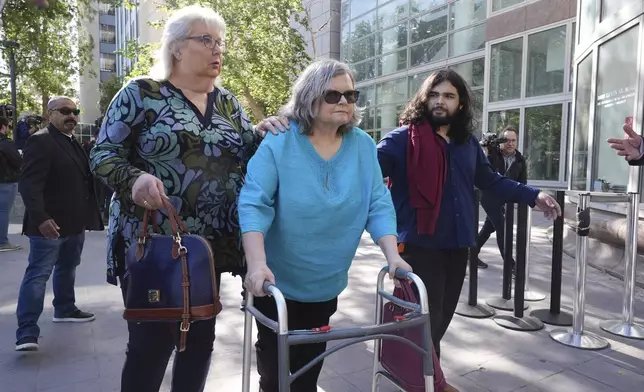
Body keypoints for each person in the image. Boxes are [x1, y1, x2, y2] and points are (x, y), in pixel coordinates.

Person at [90, 5, 269, 392]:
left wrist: (265, 132)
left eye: (220, 42)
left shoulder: (227, 103)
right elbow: (103, 155)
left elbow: (249, 155)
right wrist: (134, 179)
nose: (216, 49)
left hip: (209, 248)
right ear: (175, 48)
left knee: (200, 342)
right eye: (205, 40)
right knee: (151, 345)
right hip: (154, 244)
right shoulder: (141, 93)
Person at [239, 59, 412, 392]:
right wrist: (257, 264)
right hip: (276, 282)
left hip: (325, 282)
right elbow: (253, 203)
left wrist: (394, 256)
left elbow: (377, 202)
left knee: (307, 370)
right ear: (309, 97)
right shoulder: (280, 140)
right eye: (333, 95)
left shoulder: (362, 145)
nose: (344, 101)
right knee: (276, 375)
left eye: (351, 94)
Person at [376, 69, 561, 359]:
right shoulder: (402, 140)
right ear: (423, 100)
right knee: (425, 323)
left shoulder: (467, 144)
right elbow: (362, 168)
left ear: (460, 103)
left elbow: (490, 180)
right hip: (418, 247)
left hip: (459, 246)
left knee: (439, 323)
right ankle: (428, 382)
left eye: (448, 96)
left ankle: (428, 379)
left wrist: (532, 194)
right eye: (434, 95)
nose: (440, 101)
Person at [16, 97, 103, 352]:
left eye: (75, 111)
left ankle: (65, 308)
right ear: (50, 113)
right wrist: (41, 218)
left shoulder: (72, 141)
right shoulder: (40, 140)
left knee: (68, 268)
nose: (72, 116)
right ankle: (27, 333)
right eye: (65, 111)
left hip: (74, 224)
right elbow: (28, 184)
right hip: (48, 226)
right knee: (37, 275)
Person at [475, 125, 527, 269]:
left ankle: (471, 253)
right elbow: (480, 169)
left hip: (504, 199)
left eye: (513, 140)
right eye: (507, 140)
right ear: (500, 141)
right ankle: (510, 265)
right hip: (488, 196)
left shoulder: (520, 159)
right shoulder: (492, 154)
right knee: (502, 227)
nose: (510, 143)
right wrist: (485, 150)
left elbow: (522, 182)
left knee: (489, 227)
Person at [0, 116, 22, 252]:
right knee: (3, 211)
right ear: (3, 126)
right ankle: (2, 242)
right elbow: (17, 162)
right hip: (5, 181)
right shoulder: (5, 143)